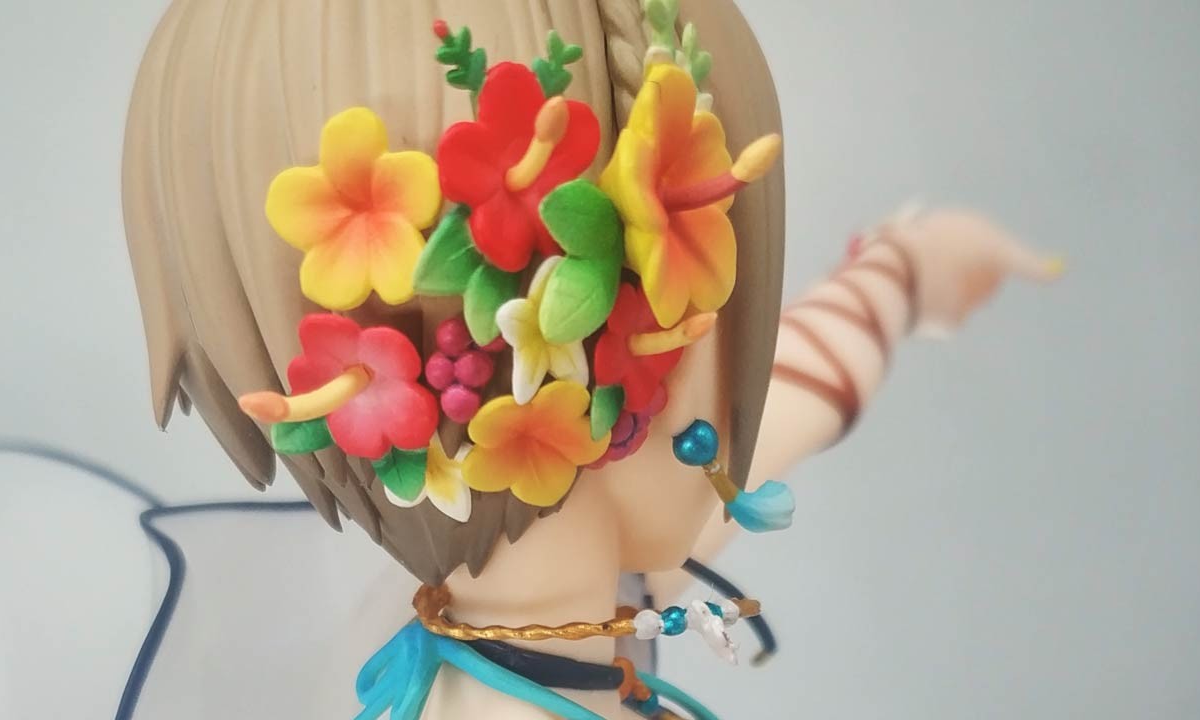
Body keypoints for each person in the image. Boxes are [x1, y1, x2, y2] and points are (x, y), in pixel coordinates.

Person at [119, 0, 1059, 717]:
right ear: (638, 337)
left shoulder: (550, 616)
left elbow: (788, 403)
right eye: (711, 274)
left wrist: (903, 271)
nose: (737, 376)